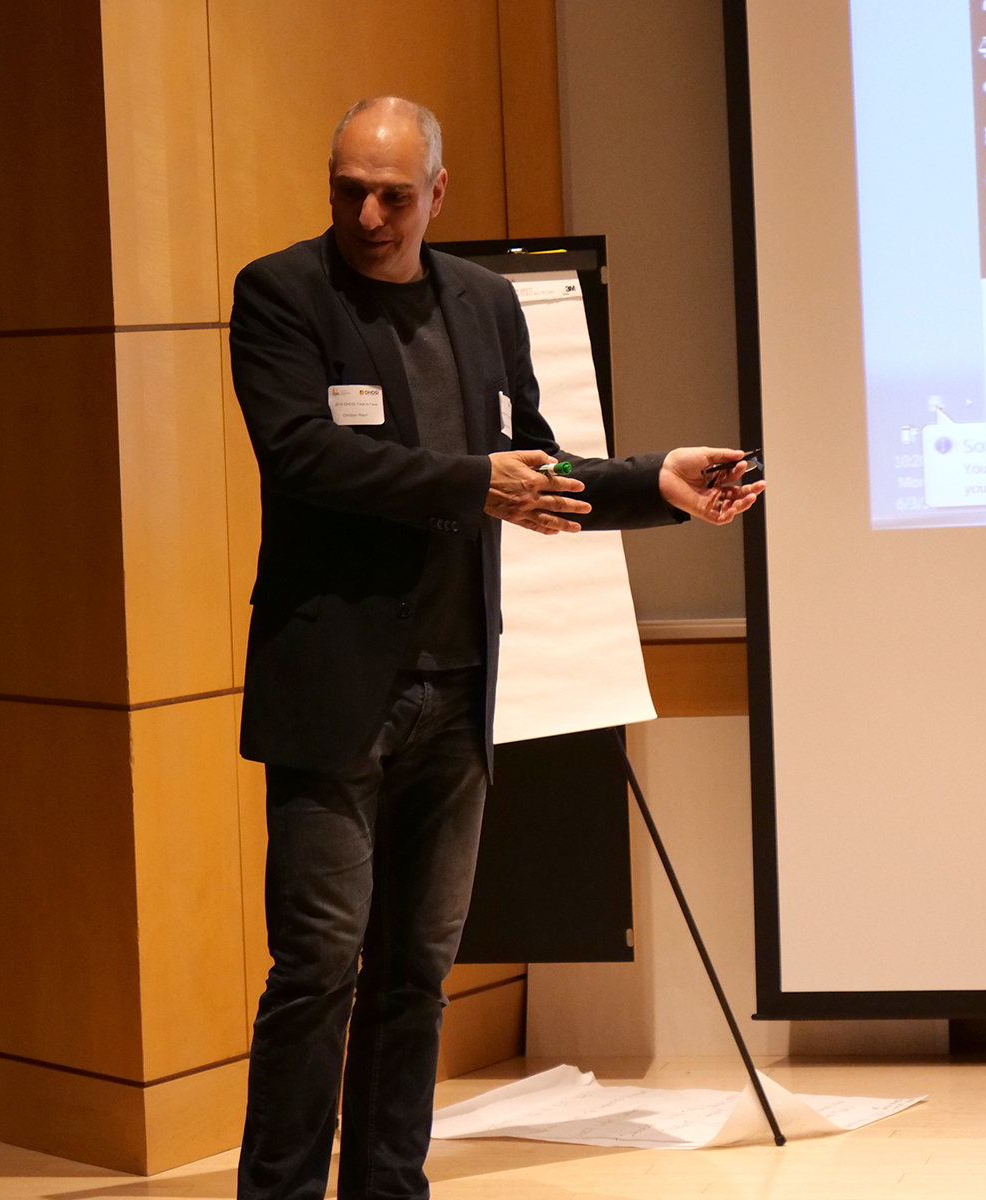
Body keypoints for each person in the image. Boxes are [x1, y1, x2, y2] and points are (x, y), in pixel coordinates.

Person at [228, 95, 764, 1200]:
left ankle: (391, 1189)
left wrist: (651, 482)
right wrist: (475, 482)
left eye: (391, 195)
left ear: (437, 194)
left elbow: (533, 465)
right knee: (319, 968)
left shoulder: (483, 302)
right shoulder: (281, 293)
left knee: (416, 973)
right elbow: (305, 457)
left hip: (459, 686)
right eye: (348, 191)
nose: (368, 216)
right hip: (334, 691)